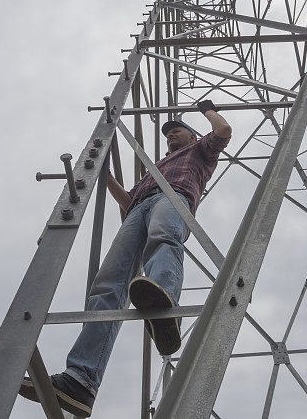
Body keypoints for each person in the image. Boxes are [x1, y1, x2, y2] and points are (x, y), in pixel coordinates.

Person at [19, 99, 231, 417]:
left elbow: (224, 130)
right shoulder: (155, 166)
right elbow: (128, 199)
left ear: (192, 136)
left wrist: (206, 110)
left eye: (177, 131)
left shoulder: (201, 151)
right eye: (168, 132)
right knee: (107, 285)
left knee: (163, 239)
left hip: (173, 197)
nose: (171, 135)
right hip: (137, 208)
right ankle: (80, 380)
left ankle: (165, 306)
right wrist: (103, 174)